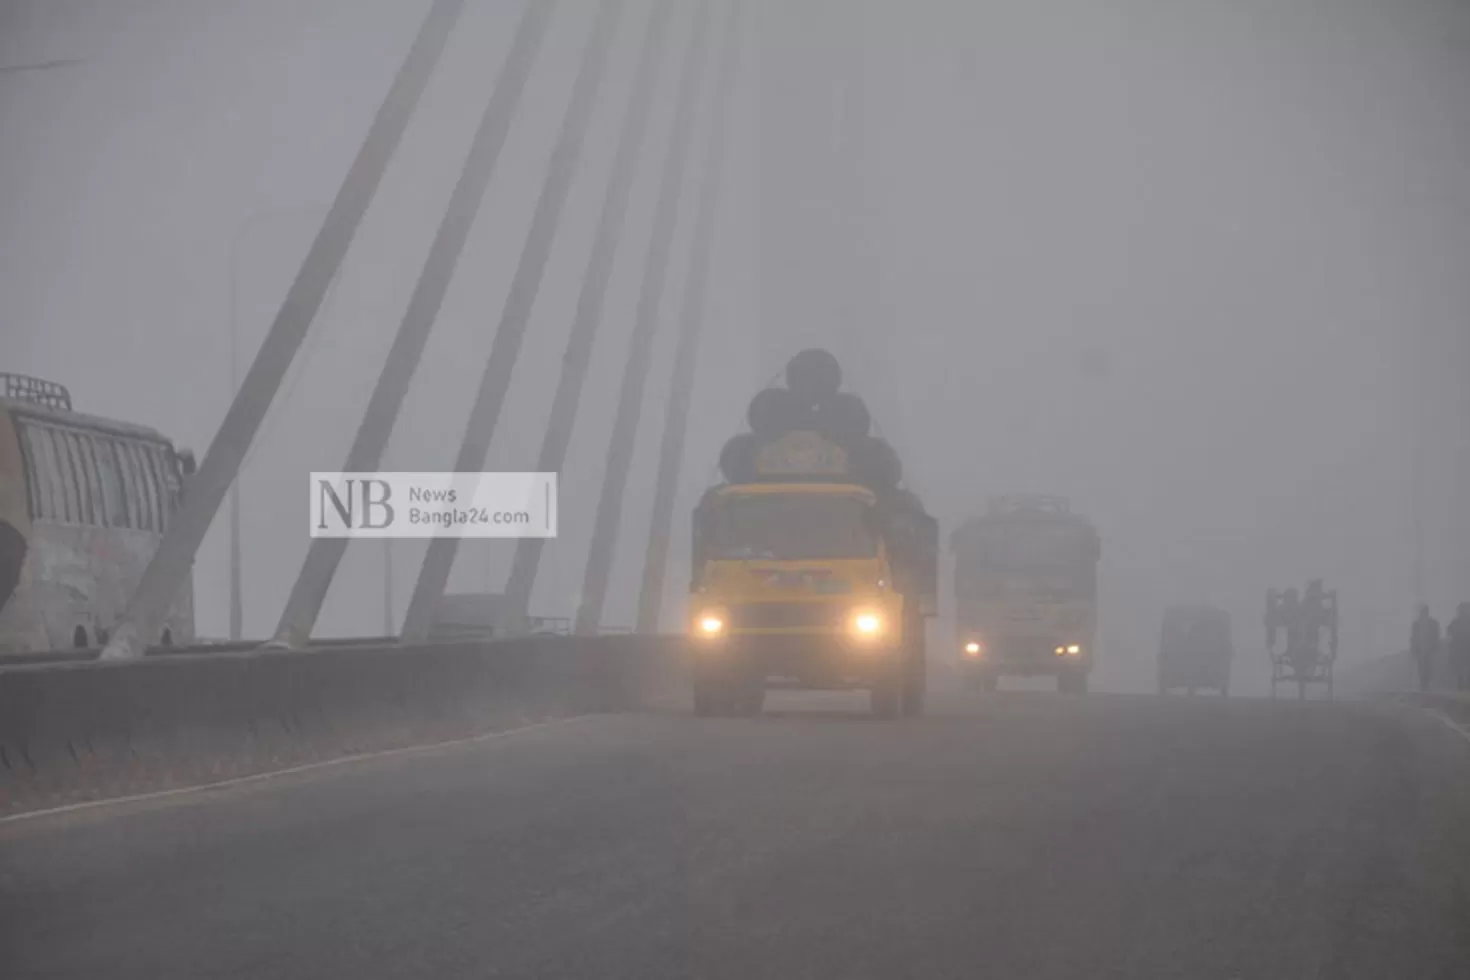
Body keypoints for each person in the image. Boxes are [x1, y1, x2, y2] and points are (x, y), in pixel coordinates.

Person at [1411, 605, 1441, 692]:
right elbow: (1413, 637)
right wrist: (1414, 648)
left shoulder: (1433, 623)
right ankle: (1423, 684)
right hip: (1420, 649)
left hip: (1430, 649)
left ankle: (1426, 682)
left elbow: (1436, 635)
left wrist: (1436, 646)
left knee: (1428, 667)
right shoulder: (1416, 624)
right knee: (1421, 667)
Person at [1447, 602, 1470, 691]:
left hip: (1467, 645)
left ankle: (1466, 681)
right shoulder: (1455, 621)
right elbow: (1449, 631)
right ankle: (1461, 681)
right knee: (1460, 665)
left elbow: (1449, 631)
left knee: (1466, 664)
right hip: (1459, 646)